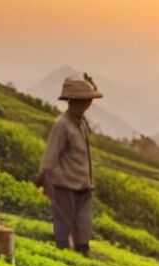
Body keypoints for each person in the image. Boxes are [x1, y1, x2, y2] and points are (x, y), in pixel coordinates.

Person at [35, 75, 102, 256]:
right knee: (63, 226)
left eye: (87, 102)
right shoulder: (62, 125)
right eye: (83, 101)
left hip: (83, 184)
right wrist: (42, 176)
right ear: (72, 102)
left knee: (83, 225)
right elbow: (51, 153)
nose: (86, 105)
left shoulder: (81, 123)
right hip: (64, 185)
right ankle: (63, 255)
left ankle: (81, 253)